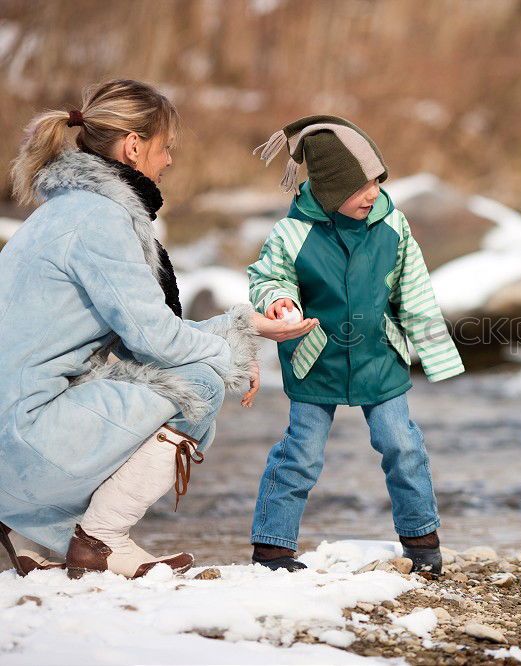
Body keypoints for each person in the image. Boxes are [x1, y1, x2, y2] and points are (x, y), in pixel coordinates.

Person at [0, 79, 317, 579]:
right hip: (25, 444)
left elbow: (141, 337)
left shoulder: (59, 212)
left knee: (189, 371)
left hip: (13, 437)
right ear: (133, 146)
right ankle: (100, 540)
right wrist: (232, 349)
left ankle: (30, 535)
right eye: (165, 147)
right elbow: (156, 341)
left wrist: (242, 329)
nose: (169, 161)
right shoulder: (100, 220)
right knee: (202, 385)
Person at [247, 115, 464, 577]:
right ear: (329, 189)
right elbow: (267, 275)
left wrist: (438, 355)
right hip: (315, 358)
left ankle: (422, 541)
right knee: (300, 454)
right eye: (361, 185)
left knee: (401, 444)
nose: (373, 193)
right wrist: (279, 299)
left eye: (377, 181)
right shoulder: (292, 233)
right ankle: (272, 549)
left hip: (377, 357)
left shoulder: (393, 227)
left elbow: (414, 289)